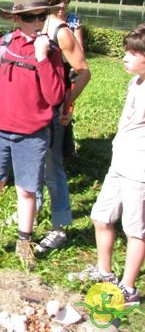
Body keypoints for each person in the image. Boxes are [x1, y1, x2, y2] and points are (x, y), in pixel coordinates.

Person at [0, 0, 65, 269]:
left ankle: (24, 242)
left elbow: (55, 96)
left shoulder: (51, 52)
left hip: (33, 135)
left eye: (41, 17)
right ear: (17, 19)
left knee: (27, 191)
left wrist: (43, 58)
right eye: (30, 17)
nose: (36, 23)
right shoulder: (5, 43)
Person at [86, 24, 145, 305]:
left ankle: (128, 288)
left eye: (133, 53)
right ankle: (104, 273)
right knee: (101, 217)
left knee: (135, 229)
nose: (125, 58)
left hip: (140, 170)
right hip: (120, 162)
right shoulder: (135, 82)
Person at [32, 0, 91, 253]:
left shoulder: (61, 32)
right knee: (33, 163)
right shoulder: (32, 26)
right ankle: (32, 212)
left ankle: (59, 227)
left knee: (53, 168)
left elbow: (83, 71)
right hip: (31, 109)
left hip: (53, 111)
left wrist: (66, 104)